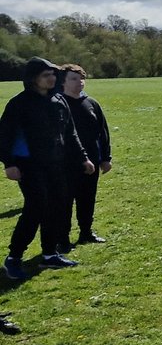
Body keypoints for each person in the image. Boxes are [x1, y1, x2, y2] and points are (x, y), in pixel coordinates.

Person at [0, 57, 94, 281]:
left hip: (56, 164)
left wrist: (84, 159)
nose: (51, 78)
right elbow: (3, 136)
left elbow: (70, 134)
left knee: (56, 207)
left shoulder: (59, 101)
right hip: (29, 165)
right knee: (36, 208)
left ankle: (50, 254)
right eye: (45, 75)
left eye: (52, 74)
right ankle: (14, 258)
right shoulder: (19, 104)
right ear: (33, 79)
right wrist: (9, 164)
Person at [60, 64, 113, 247]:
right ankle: (63, 238)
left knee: (87, 198)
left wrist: (106, 158)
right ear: (63, 82)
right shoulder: (59, 104)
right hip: (66, 163)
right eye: (73, 79)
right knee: (65, 202)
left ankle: (86, 232)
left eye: (81, 78)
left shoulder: (91, 103)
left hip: (92, 160)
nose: (79, 82)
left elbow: (103, 132)